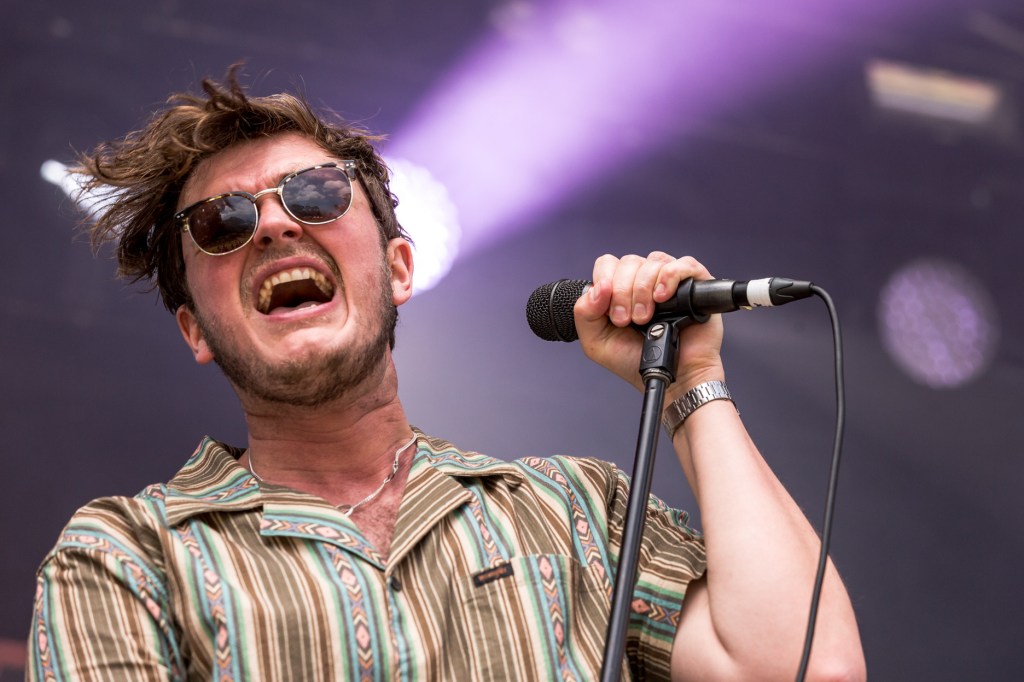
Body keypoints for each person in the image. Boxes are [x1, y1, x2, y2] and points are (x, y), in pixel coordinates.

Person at [28, 69, 865, 681]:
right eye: (222, 221)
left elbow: (804, 667)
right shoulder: (128, 557)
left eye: (315, 193)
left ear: (398, 269)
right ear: (195, 330)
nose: (276, 225)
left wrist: (690, 383)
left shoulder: (575, 512)